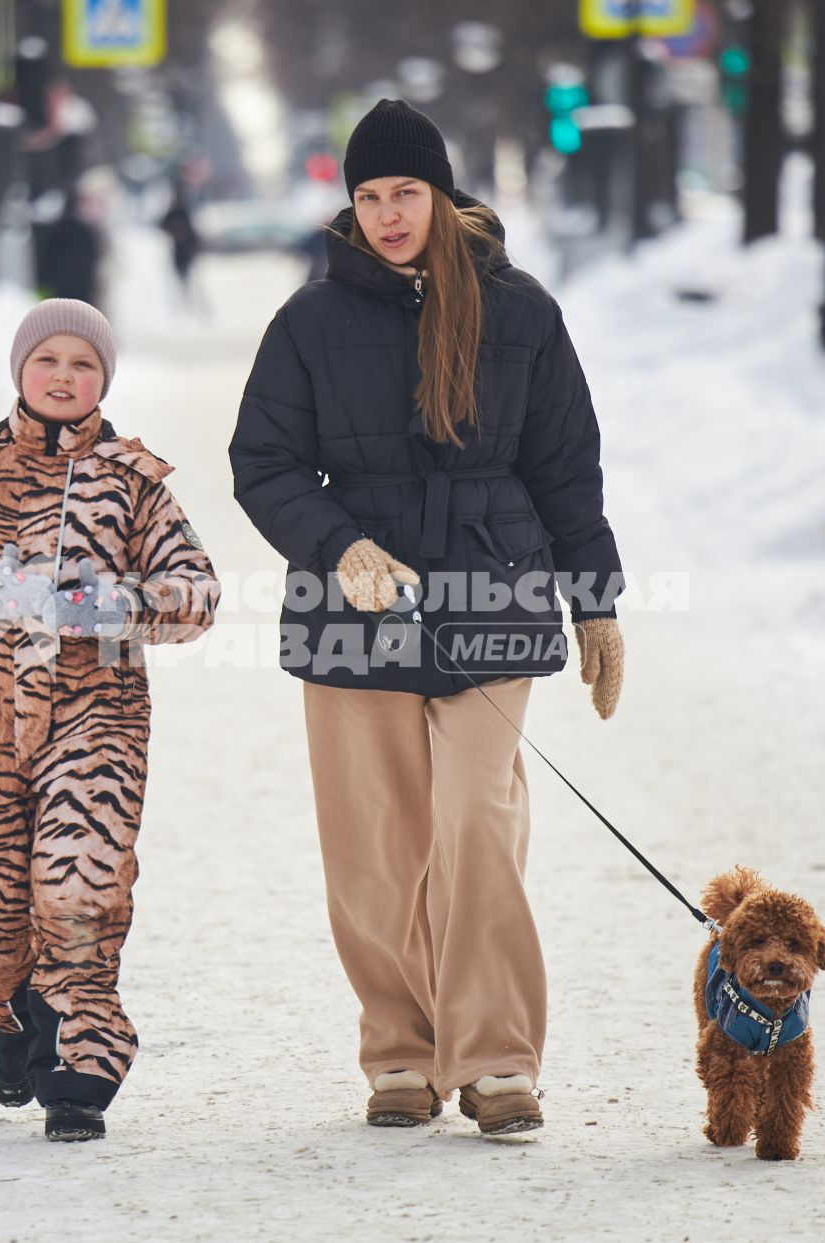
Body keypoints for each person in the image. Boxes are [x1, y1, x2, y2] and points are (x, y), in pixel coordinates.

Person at [228, 99, 626, 1137]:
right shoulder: (309, 321)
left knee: (474, 822)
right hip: (350, 602)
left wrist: (597, 602)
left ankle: (495, 1058)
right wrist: (338, 546)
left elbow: (564, 469)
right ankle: (400, 1051)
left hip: (493, 590)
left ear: (444, 197)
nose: (389, 214)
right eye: (369, 197)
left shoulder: (522, 313)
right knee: (374, 845)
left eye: (406, 192)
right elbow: (262, 462)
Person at [0, 299, 219, 1142]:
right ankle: (6, 1017)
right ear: (21, 372)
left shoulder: (132, 480)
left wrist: (114, 605)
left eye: (84, 363)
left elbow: (197, 594)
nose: (65, 377)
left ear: (103, 379)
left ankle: (83, 1068)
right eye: (49, 361)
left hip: (97, 720)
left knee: (81, 891)